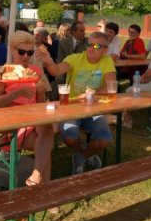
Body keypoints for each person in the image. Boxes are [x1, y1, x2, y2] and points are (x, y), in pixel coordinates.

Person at [37, 31, 115, 175]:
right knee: (69, 136)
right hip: (72, 107)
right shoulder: (75, 58)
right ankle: (85, 152)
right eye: (89, 44)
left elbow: (111, 85)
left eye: (96, 46)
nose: (91, 48)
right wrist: (48, 61)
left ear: (105, 50)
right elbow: (56, 71)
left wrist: (92, 93)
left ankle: (81, 157)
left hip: (94, 107)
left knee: (104, 138)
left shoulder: (107, 60)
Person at [0, 31, 53, 185]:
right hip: (15, 122)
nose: (26, 56)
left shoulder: (35, 70)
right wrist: (16, 94)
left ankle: (37, 176)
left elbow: (40, 104)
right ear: (13, 50)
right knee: (46, 147)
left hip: (34, 118)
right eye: (22, 52)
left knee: (46, 128)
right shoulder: (4, 71)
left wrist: (40, 93)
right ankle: (43, 186)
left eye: (30, 53)